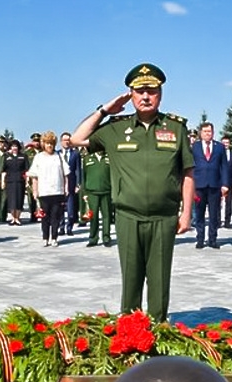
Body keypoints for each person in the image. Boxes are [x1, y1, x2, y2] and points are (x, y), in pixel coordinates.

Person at [71, 62, 194, 322]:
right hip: (128, 216)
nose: (146, 96)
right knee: (131, 277)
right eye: (140, 91)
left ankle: (159, 328)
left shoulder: (176, 129)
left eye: (152, 90)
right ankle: (130, 330)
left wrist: (186, 215)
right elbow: (76, 139)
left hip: (164, 217)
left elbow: (187, 173)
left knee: (160, 280)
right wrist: (104, 110)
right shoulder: (115, 129)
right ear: (131, 94)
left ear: (160, 94)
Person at [191, 122, 229, 250]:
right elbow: (190, 166)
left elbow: (224, 167)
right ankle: (200, 239)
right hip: (199, 185)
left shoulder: (219, 147)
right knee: (199, 214)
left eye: (210, 131)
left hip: (214, 185)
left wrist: (225, 184)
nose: (208, 134)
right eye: (205, 131)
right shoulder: (194, 147)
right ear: (201, 133)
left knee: (214, 214)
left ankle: (213, 239)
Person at [27, 131, 69, 247]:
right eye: (47, 143)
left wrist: (66, 188)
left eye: (51, 143)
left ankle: (54, 237)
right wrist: (35, 191)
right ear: (43, 144)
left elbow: (66, 174)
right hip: (44, 192)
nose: (49, 145)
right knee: (45, 217)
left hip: (57, 191)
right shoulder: (38, 157)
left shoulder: (59, 156)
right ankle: (45, 237)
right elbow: (34, 176)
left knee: (56, 216)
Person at [82, 149, 113, 247]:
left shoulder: (109, 158)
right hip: (92, 192)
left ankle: (106, 237)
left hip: (106, 191)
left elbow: (113, 175)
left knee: (106, 215)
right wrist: (84, 192)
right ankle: (93, 238)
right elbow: (84, 176)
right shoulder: (87, 159)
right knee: (93, 216)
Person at [59, 132, 83, 236]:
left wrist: (78, 183)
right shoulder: (57, 154)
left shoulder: (75, 154)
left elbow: (78, 170)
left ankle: (69, 227)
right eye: (64, 140)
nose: (66, 142)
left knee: (71, 209)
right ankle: (61, 227)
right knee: (59, 208)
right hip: (59, 184)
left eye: (68, 140)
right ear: (61, 142)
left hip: (72, 184)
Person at [1, 139, 29, 225]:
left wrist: (27, 181)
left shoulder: (23, 156)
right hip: (10, 181)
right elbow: (3, 171)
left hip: (20, 181)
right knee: (11, 200)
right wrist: (2, 181)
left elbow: (27, 170)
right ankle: (13, 218)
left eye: (16, 146)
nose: (14, 148)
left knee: (19, 199)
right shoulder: (6, 157)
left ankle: (18, 217)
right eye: (13, 146)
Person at [220, 135, 232, 228]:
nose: (225, 145)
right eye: (224, 143)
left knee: (229, 202)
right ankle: (217, 221)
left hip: (230, 181)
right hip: (219, 181)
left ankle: (227, 221)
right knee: (217, 202)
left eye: (227, 143)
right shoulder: (217, 153)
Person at [24, 133, 41, 223]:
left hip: (43, 178)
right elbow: (26, 166)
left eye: (38, 141)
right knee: (32, 197)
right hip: (31, 178)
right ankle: (33, 215)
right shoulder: (28, 153)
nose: (36, 143)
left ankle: (42, 213)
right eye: (35, 141)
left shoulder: (44, 151)